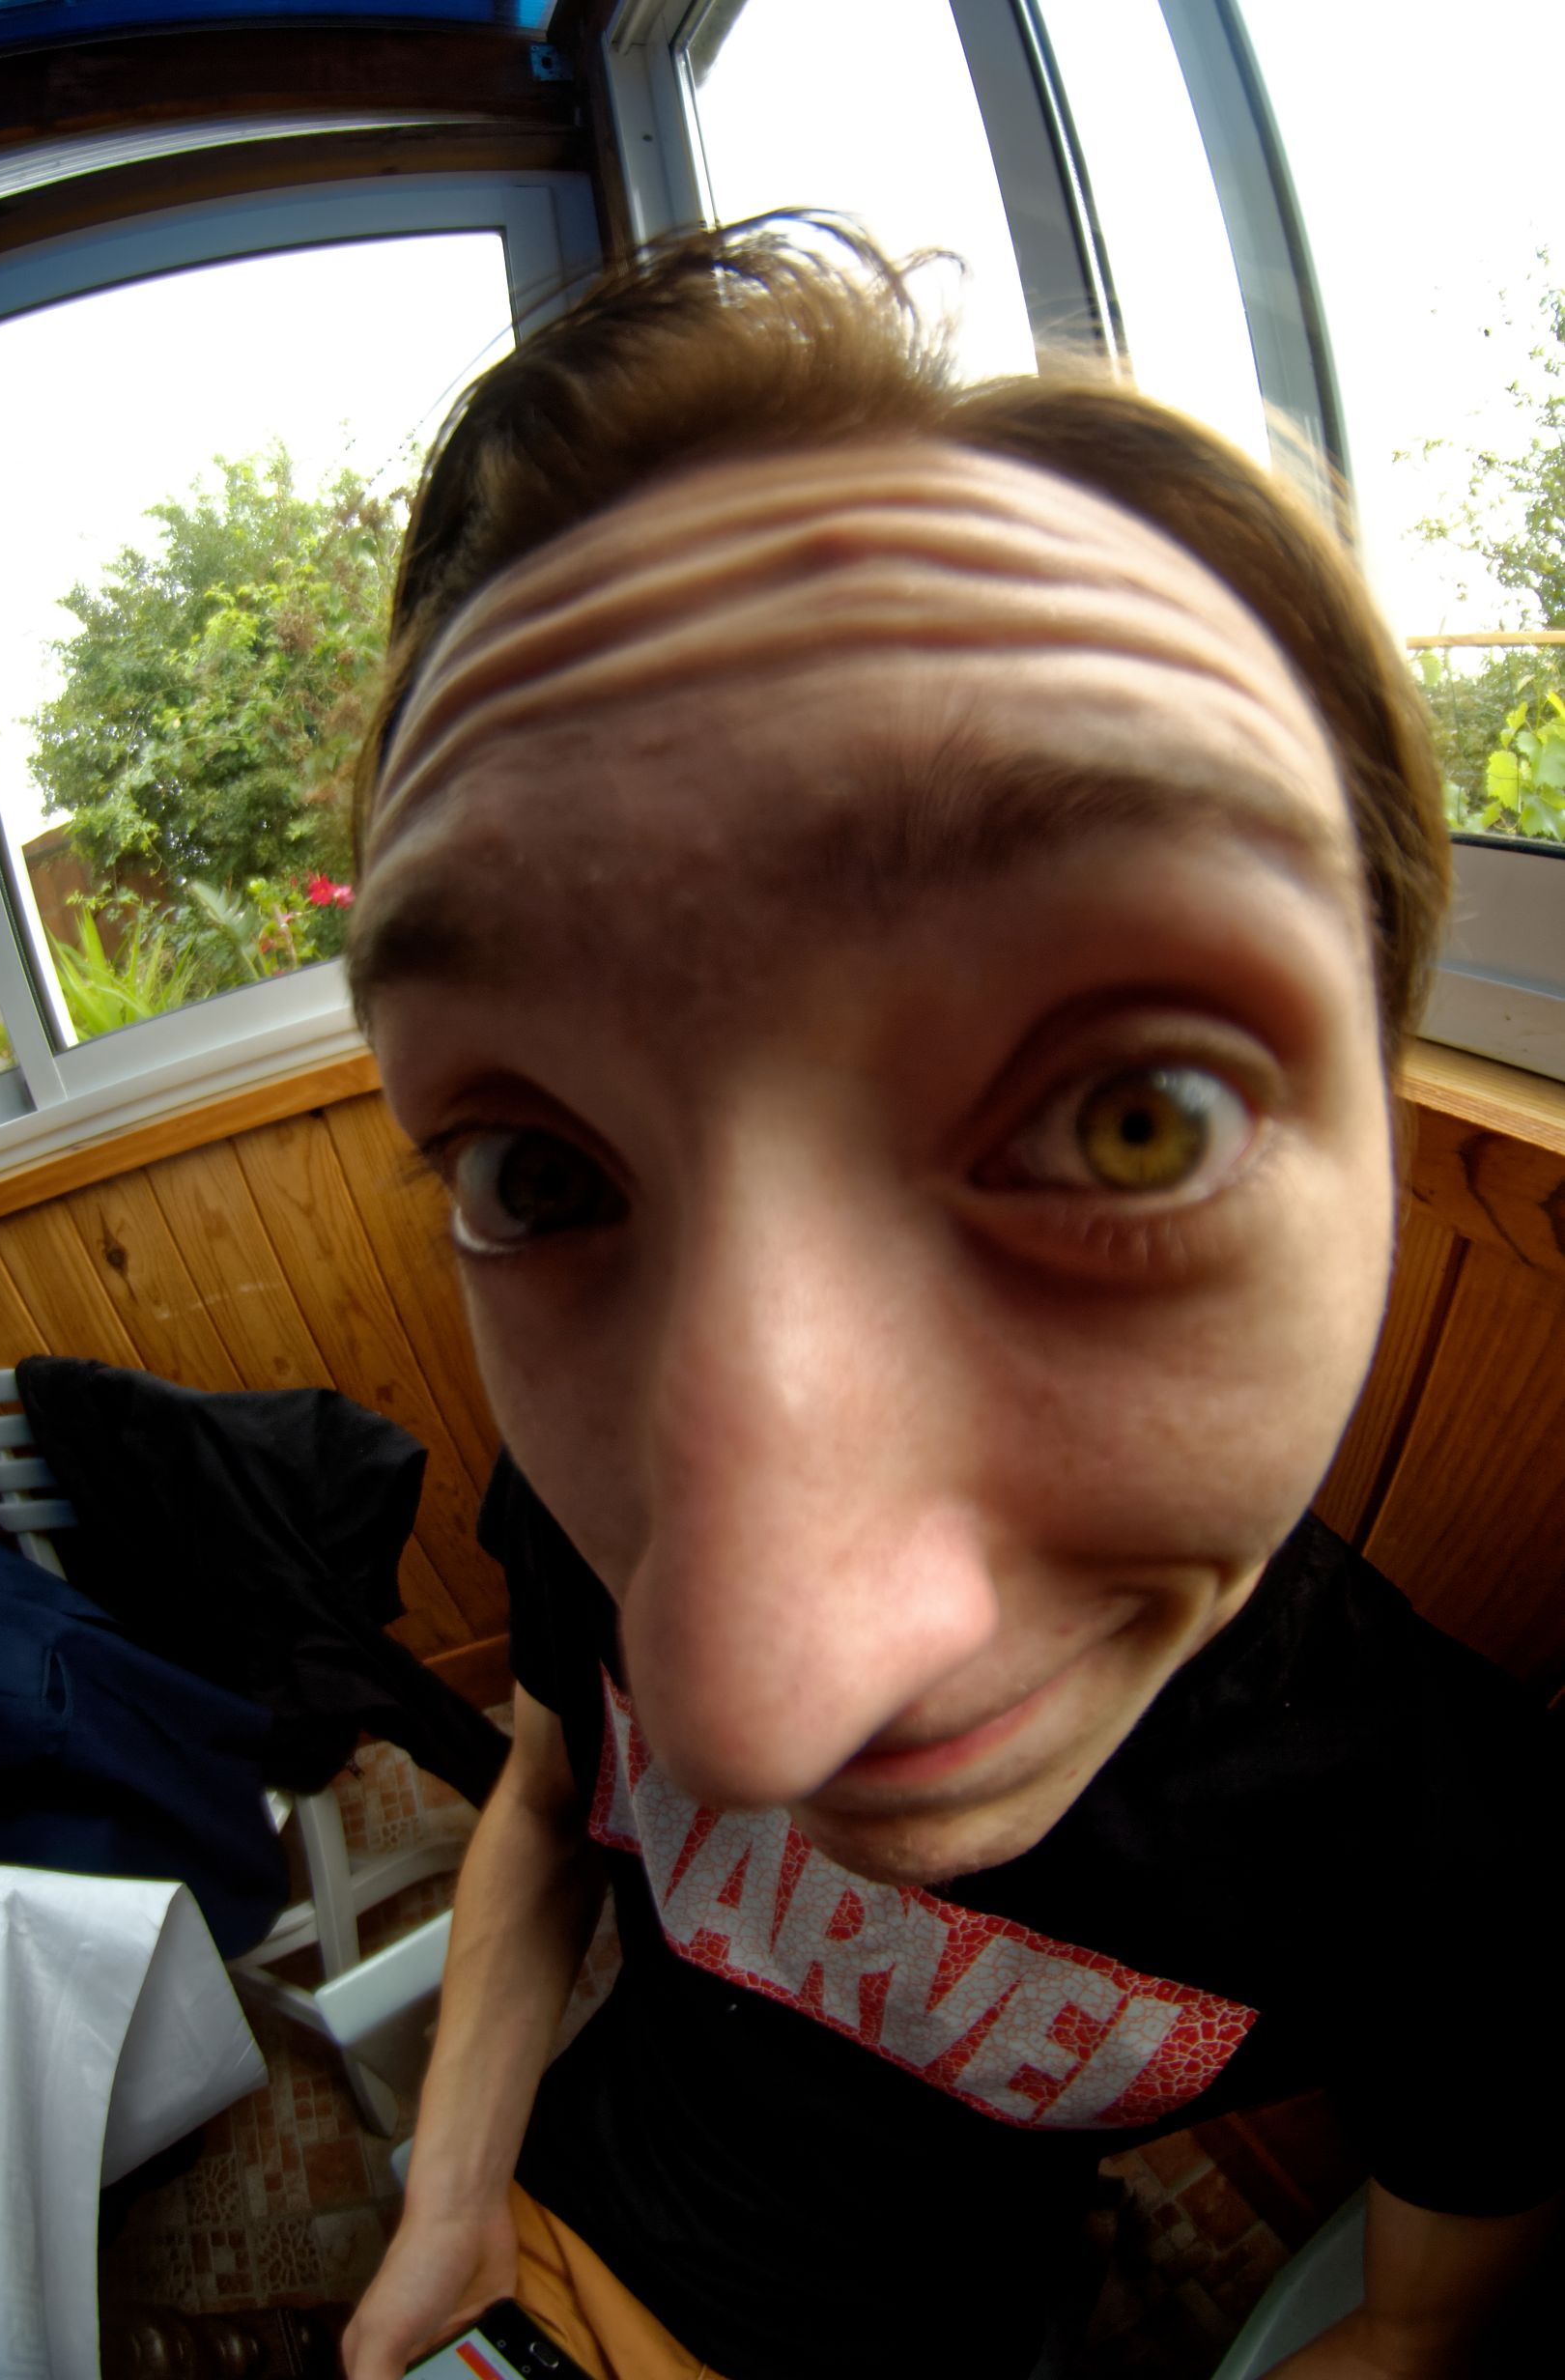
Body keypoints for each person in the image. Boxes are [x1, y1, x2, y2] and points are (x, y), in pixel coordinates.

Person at [340, 220, 1556, 2380]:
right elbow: (538, 1805)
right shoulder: (596, 1500)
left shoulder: (1443, 1844)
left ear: (1378, 1114)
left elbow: (1419, 2323)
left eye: (1126, 1120)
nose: (761, 1691)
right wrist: (446, 2210)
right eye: (543, 1174)